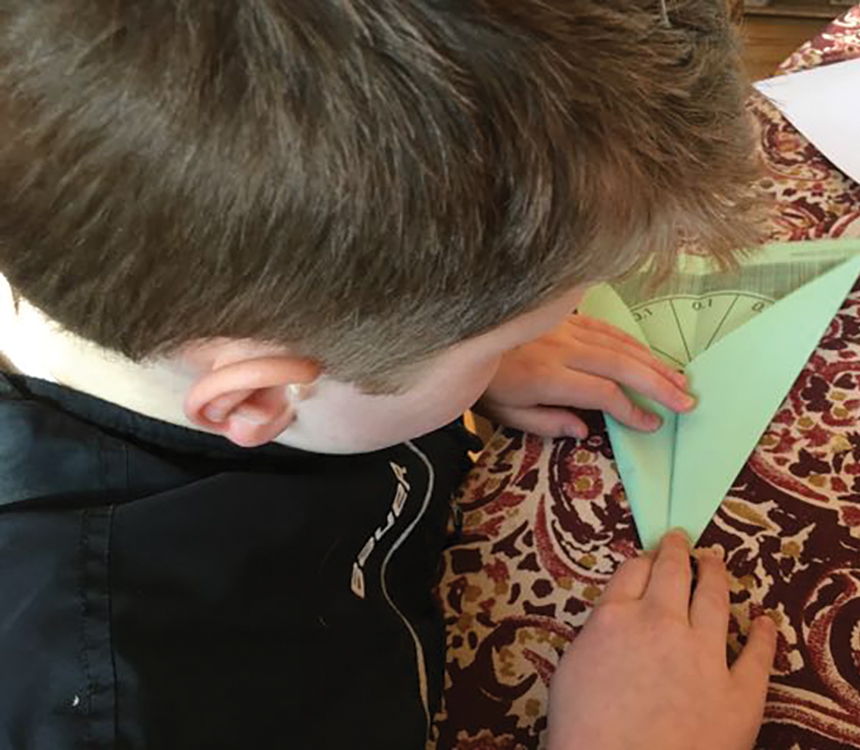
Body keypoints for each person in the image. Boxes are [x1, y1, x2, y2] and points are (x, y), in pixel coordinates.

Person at [0, 1, 775, 748]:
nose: (544, 334)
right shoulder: (118, 699)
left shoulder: (250, 334)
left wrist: (452, 351)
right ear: (262, 398)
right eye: (521, 329)